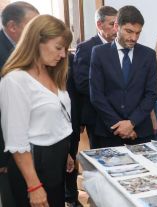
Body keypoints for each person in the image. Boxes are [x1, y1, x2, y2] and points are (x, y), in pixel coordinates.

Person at [0, 15, 74, 207]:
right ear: (36, 41)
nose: (63, 55)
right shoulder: (15, 80)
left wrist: (64, 153)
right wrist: (33, 186)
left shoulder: (52, 72)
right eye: (59, 48)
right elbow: (16, 142)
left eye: (65, 49)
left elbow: (56, 116)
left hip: (56, 159)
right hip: (34, 165)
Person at [89, 5, 157, 148]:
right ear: (116, 26)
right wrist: (120, 127)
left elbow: (151, 94)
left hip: (140, 131)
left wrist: (132, 123)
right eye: (129, 31)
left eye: (138, 33)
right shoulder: (99, 53)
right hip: (109, 133)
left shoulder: (148, 55)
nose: (134, 38)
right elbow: (96, 95)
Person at [0, 2, 39, 207]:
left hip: (31, 144)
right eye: (32, 25)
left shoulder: (28, 49)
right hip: (7, 152)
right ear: (13, 27)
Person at [73, 6, 118, 149]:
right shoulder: (86, 48)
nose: (116, 29)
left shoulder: (121, 47)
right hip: (96, 116)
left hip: (119, 114)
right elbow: (82, 84)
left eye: (118, 24)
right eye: (112, 24)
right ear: (99, 24)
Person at [66, 53, 83, 207]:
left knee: (71, 158)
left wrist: (80, 119)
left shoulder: (70, 58)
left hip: (73, 117)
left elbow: (77, 90)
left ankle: (72, 197)